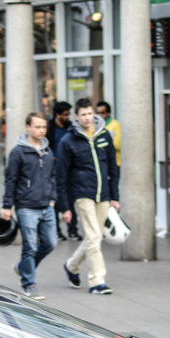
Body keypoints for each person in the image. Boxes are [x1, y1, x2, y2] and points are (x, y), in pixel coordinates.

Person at [1, 113, 67, 300]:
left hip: (47, 205)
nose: (41, 130)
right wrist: (7, 206)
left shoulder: (48, 151)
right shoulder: (18, 152)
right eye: (37, 127)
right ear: (28, 127)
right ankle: (29, 284)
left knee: (50, 243)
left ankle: (22, 267)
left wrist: (53, 199)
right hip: (26, 206)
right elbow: (11, 180)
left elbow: (52, 177)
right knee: (30, 246)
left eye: (44, 127)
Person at [57, 98, 119, 295]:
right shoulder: (68, 141)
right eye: (83, 114)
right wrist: (64, 206)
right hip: (82, 193)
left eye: (90, 114)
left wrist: (115, 197)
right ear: (77, 117)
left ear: (95, 115)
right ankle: (97, 281)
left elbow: (112, 167)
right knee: (93, 236)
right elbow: (62, 175)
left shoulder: (104, 136)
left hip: (104, 194)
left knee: (95, 236)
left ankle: (71, 266)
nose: (87, 118)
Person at [46, 102, 76, 240]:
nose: (67, 117)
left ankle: (72, 230)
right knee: (55, 200)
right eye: (65, 114)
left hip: (69, 168)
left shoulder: (71, 127)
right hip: (53, 168)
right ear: (57, 114)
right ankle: (57, 231)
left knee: (71, 199)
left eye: (69, 114)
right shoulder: (49, 128)